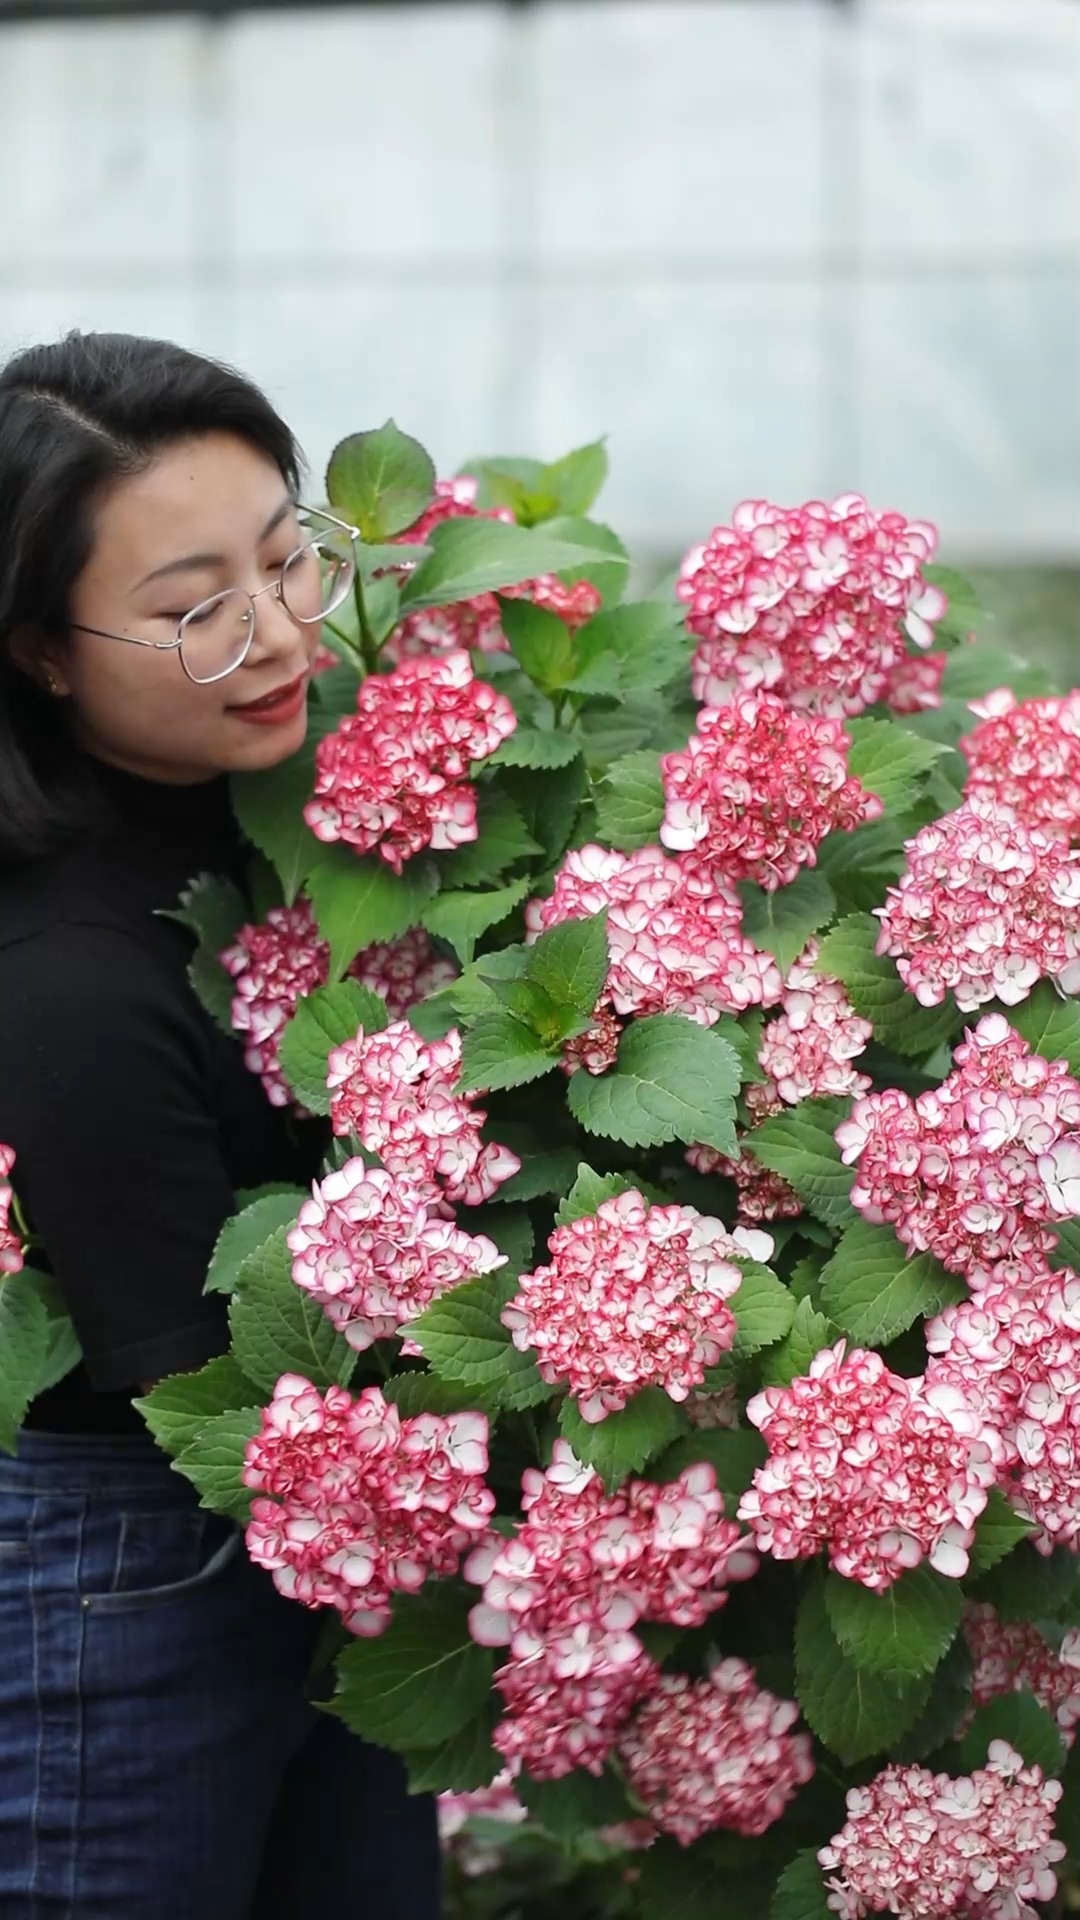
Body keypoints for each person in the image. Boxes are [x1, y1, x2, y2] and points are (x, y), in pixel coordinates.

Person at [0, 333, 441, 1919]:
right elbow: (196, 1375)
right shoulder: (65, 979)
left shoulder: (287, 815)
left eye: (287, 559)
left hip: (321, 1522)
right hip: (126, 1564)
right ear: (43, 652)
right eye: (197, 609)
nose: (275, 635)